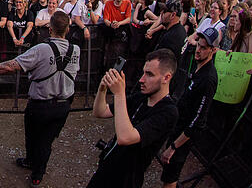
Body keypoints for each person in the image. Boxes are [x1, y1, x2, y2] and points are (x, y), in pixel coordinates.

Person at [0, 11, 79, 187]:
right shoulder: (75, 50)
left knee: (38, 139)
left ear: (50, 28)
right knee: (44, 139)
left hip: (41, 104)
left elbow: (11, 66)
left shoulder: (42, 49)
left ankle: (37, 174)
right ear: (68, 29)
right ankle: (32, 162)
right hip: (63, 105)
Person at [87, 49, 179, 188]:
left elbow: (126, 138)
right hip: (107, 168)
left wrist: (119, 94)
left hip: (125, 180)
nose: (141, 79)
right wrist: (102, 88)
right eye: (143, 72)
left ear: (166, 78)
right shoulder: (141, 97)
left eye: (149, 74)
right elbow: (100, 112)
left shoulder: (168, 112)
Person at [159, 28, 219, 188]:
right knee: (168, 173)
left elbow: (198, 119)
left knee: (170, 178)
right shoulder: (198, 66)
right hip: (178, 126)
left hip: (184, 135)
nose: (198, 50)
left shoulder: (208, 79)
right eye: (198, 45)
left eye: (203, 48)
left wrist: (174, 147)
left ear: (212, 50)